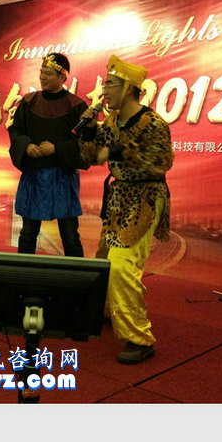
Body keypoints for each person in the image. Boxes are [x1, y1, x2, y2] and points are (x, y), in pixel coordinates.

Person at [78, 54, 174, 364]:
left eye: (110, 84)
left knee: (121, 265)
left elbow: (162, 162)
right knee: (104, 259)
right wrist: (89, 131)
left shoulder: (152, 123)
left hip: (145, 197)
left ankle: (139, 338)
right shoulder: (111, 120)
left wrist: (116, 151)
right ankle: (109, 312)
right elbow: (91, 157)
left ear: (130, 88)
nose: (104, 90)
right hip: (119, 197)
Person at [8, 53, 89, 257]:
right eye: (41, 72)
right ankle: (22, 272)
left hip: (63, 177)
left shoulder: (76, 106)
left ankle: (77, 275)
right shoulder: (28, 102)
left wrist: (56, 149)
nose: (42, 77)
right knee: (28, 233)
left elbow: (86, 144)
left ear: (62, 77)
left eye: (48, 73)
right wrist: (26, 145)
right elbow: (16, 130)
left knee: (70, 235)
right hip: (34, 177)